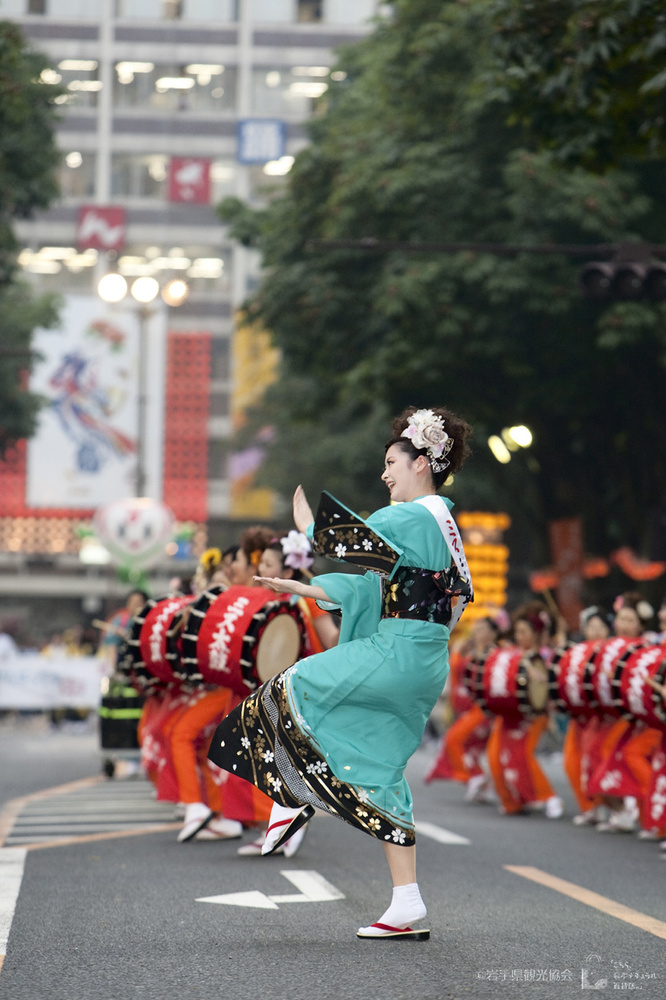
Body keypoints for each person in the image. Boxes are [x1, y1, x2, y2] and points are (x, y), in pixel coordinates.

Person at [209, 406, 473, 940]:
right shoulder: (444, 530)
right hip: (422, 663)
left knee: (289, 688)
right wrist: (307, 590)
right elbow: (379, 587)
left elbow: (345, 541)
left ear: (422, 462)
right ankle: (406, 902)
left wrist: (308, 523)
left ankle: (291, 795)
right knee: (385, 774)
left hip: (395, 652)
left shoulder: (415, 515)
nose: (385, 474)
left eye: (392, 462)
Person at [485, 602, 564, 819]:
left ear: (537, 634)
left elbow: (552, 685)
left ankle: (549, 796)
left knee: (522, 755)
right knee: (494, 756)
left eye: (524, 632)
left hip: (533, 714)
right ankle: (512, 801)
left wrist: (544, 679)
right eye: (517, 631)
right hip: (509, 712)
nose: (518, 636)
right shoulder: (511, 654)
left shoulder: (546, 655)